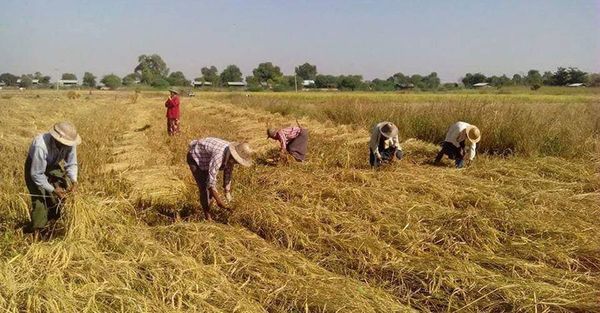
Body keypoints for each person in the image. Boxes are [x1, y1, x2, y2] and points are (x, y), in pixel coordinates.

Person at [24, 122, 81, 235]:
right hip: (35, 167)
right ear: (56, 139)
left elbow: (71, 163)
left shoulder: (70, 143)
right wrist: (53, 190)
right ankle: (37, 232)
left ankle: (52, 223)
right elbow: (37, 174)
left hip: (52, 164)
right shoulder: (41, 145)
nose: (66, 146)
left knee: (61, 191)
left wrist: (74, 181)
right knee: (40, 198)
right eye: (63, 144)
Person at [187, 138, 254, 221]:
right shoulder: (219, 155)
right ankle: (207, 217)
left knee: (210, 192)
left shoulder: (230, 156)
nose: (236, 163)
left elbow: (228, 173)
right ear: (233, 156)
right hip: (195, 157)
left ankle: (209, 207)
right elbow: (211, 182)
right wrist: (219, 201)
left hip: (207, 159)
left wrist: (227, 192)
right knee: (204, 188)